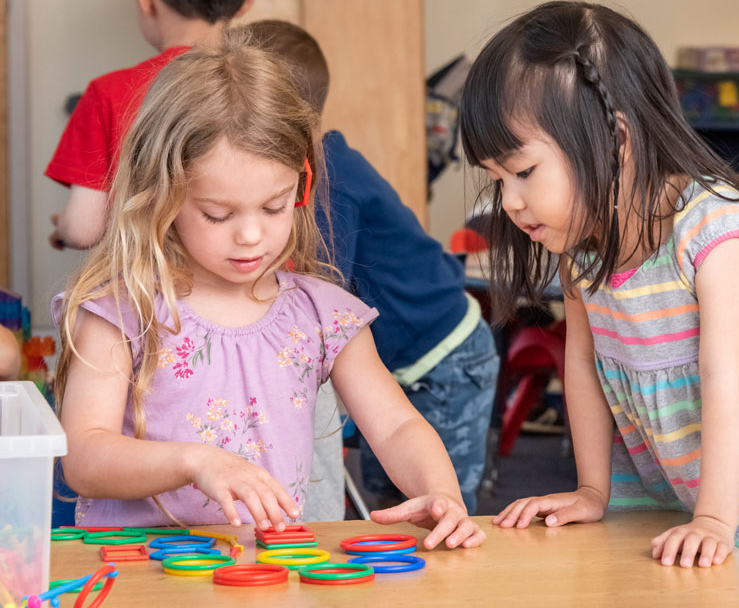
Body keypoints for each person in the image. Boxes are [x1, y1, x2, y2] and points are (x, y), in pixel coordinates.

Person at [458, 0, 739, 590]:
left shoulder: (714, 229)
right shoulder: (583, 251)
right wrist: (592, 490)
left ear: (615, 141)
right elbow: (582, 364)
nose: (508, 202)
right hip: (695, 502)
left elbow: (725, 375)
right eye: (497, 179)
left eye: (524, 172)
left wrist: (716, 517)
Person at [51, 34, 485, 551]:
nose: (251, 235)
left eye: (274, 207)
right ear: (162, 196)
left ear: (301, 185)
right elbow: (84, 456)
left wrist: (440, 493)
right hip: (138, 577)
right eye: (219, 214)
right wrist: (196, 461)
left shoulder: (322, 315)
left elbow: (393, 426)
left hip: (262, 575)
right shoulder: (123, 312)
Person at [241, 20, 499, 517]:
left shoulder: (329, 176)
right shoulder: (311, 168)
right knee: (389, 507)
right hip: (394, 362)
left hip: (443, 352)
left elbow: (315, 288)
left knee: (435, 510)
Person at [46, 0, 258, 250]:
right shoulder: (268, 86)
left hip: (148, 294)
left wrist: (63, 226)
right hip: (257, 290)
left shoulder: (107, 94)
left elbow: (83, 229)